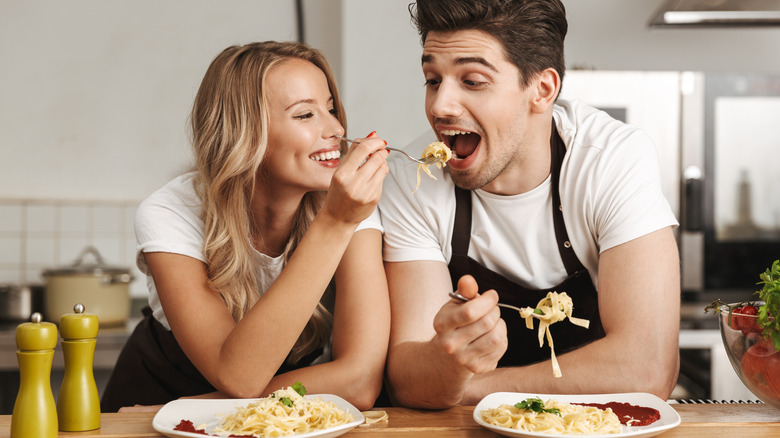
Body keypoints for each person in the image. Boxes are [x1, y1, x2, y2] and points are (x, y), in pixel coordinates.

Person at [379, 0, 681, 409]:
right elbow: (407, 380)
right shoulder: (411, 179)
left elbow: (646, 370)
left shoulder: (610, 159)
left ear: (542, 90)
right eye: (433, 80)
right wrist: (443, 360)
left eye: (472, 81)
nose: (439, 107)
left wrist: (463, 385)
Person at [100, 41, 391, 412]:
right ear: (244, 132)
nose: (336, 129)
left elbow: (360, 381)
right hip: (153, 407)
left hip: (209, 410)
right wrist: (336, 222)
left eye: (331, 110)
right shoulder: (170, 211)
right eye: (305, 115)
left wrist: (197, 407)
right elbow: (238, 375)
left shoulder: (350, 205)